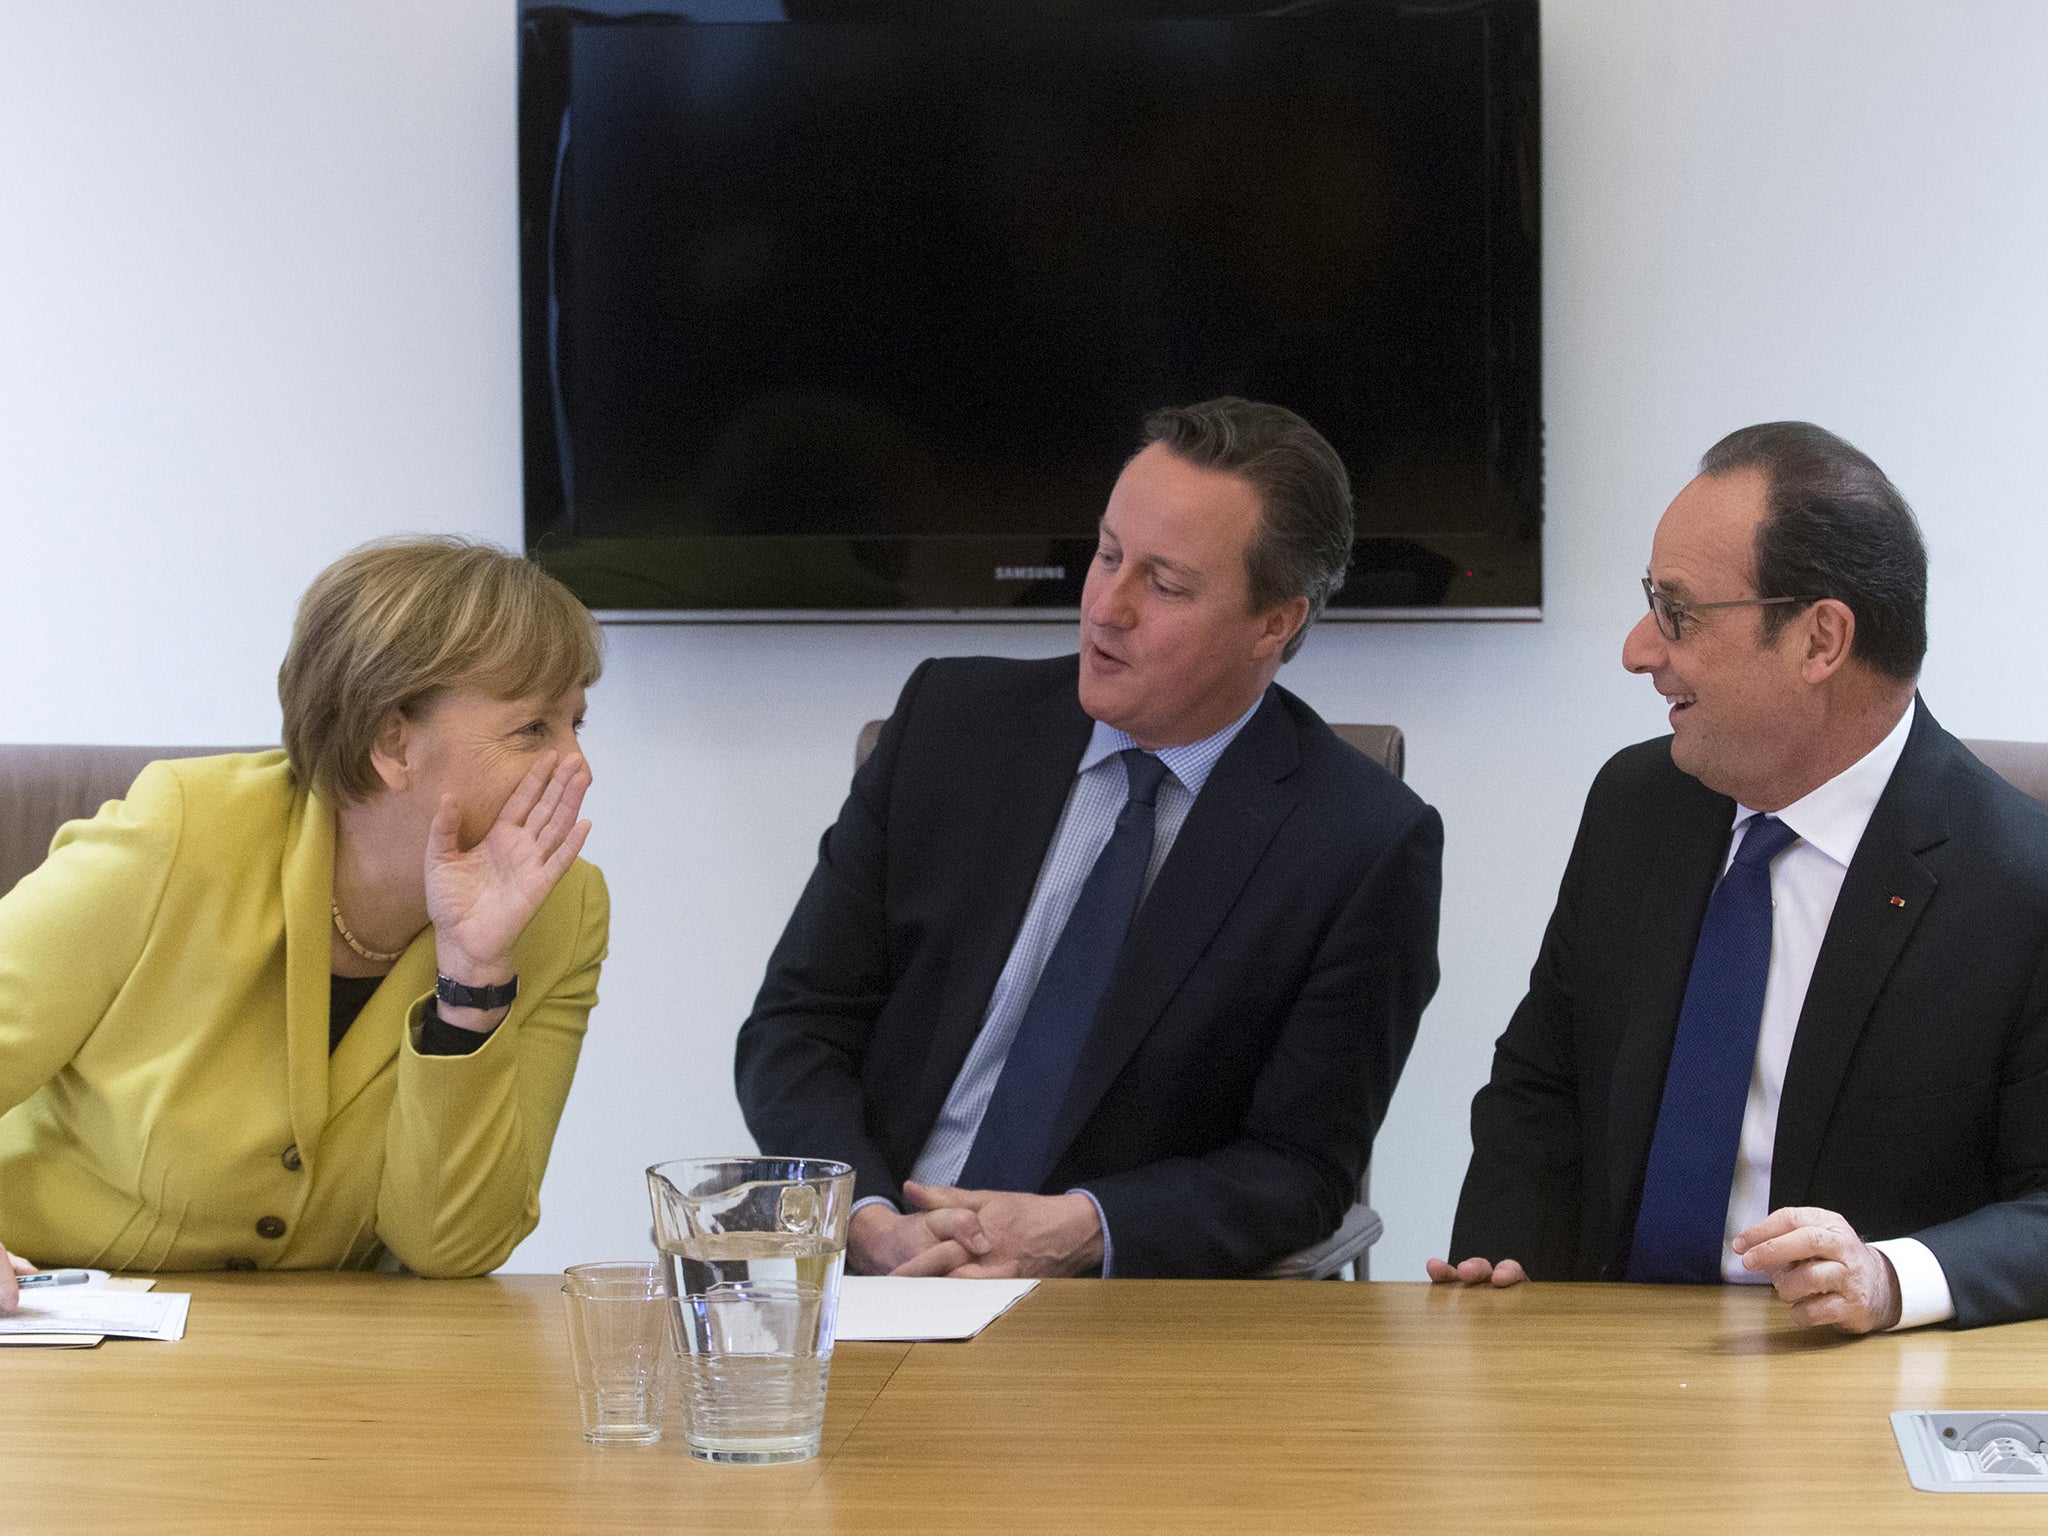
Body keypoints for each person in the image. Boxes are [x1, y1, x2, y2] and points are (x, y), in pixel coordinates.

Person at [736, 397, 1442, 1279]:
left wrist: (1083, 1231)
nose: (1107, 607)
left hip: (1116, 1312)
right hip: (876, 1272)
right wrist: (869, 1220)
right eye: (1108, 555)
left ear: (1276, 623)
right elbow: (795, 1029)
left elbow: (1299, 1168)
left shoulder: (1362, 844)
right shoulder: (948, 727)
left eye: (1166, 584)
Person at [1431, 422, 2048, 1331]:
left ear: (1819, 640)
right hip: (1599, 1367)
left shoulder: (2017, 883)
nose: (1639, 649)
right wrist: (1507, 1275)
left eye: (1678, 613)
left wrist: (1885, 1278)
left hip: (1844, 1391)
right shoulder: (1636, 805)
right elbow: (1542, 1081)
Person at [0, 536, 608, 1312]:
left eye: (576, 725)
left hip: (331, 1353)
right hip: (61, 1326)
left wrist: (474, 978)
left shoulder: (563, 914)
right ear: (392, 742)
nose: (579, 769)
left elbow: (451, 1245)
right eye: (533, 730)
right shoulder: (181, 831)